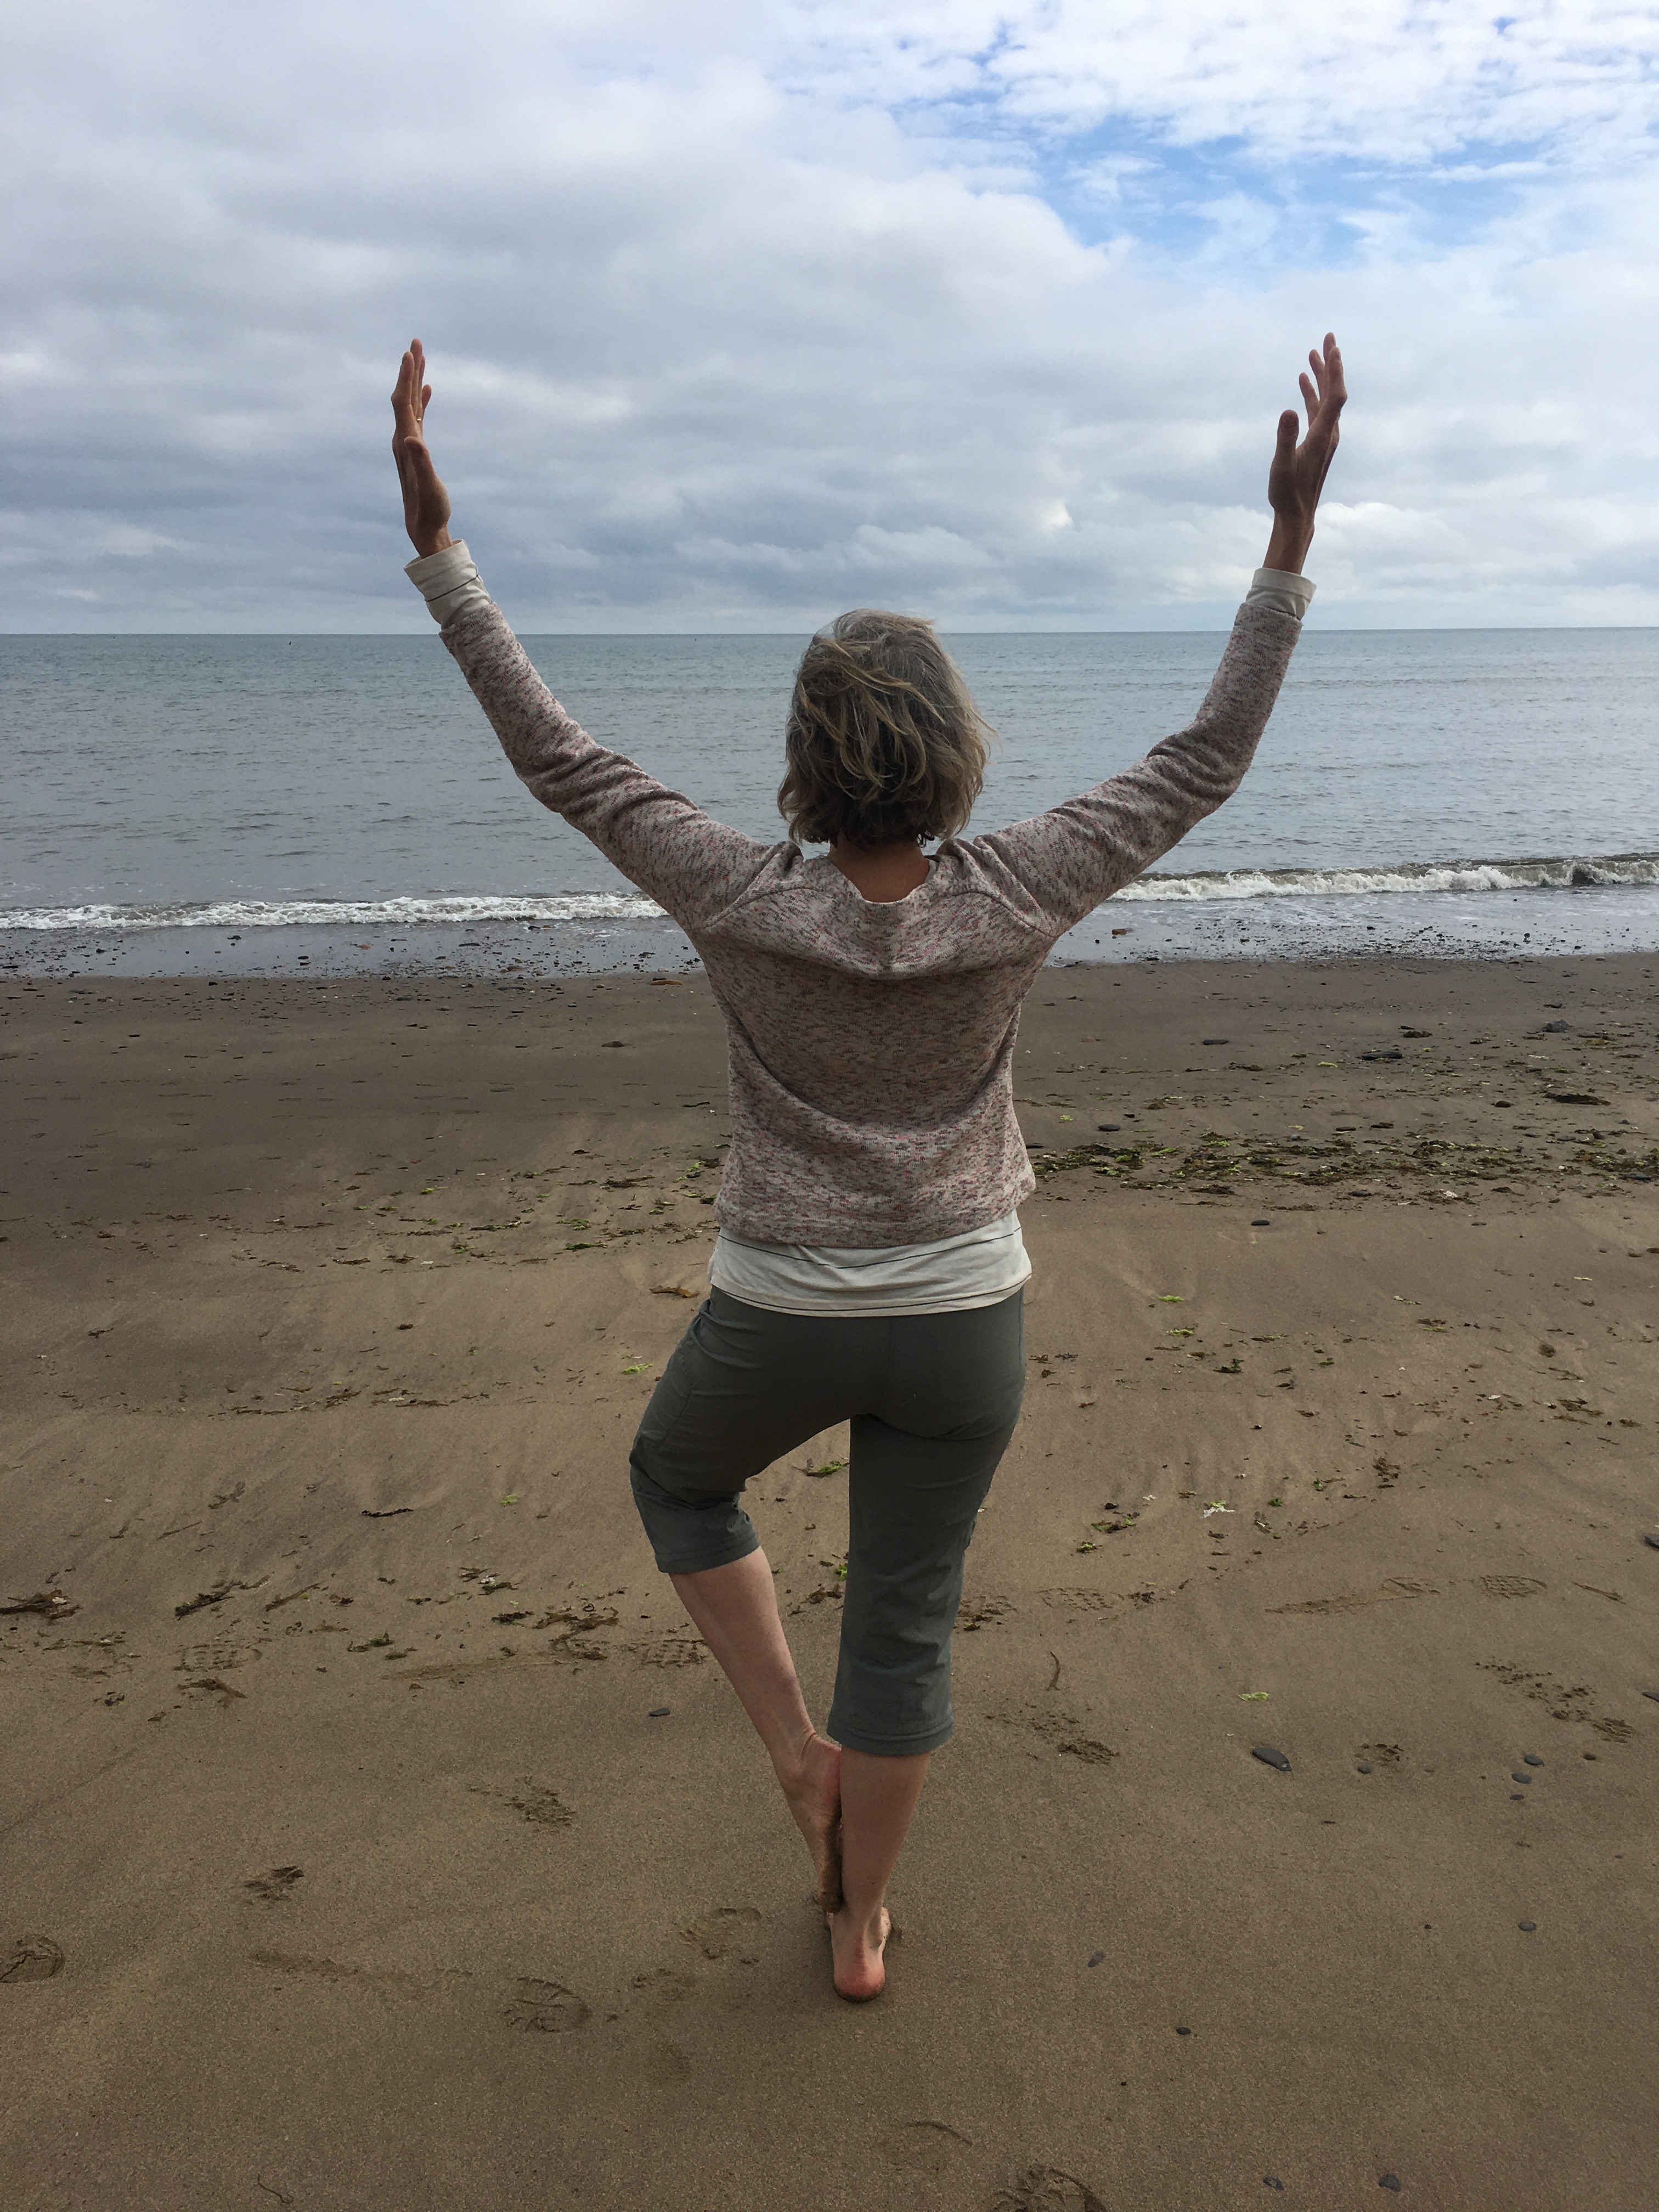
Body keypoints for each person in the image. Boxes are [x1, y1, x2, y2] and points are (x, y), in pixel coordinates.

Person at [391, 333, 1346, 2000]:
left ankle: (793, 1753)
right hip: (967, 1315)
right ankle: (859, 1928)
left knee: (678, 1478)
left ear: (807, 758)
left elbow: (559, 757)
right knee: (902, 1616)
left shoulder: (736, 891)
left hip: (780, 1310)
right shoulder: (1020, 886)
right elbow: (1203, 761)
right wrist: (1287, 542)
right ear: (954, 751)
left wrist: (441, 552)